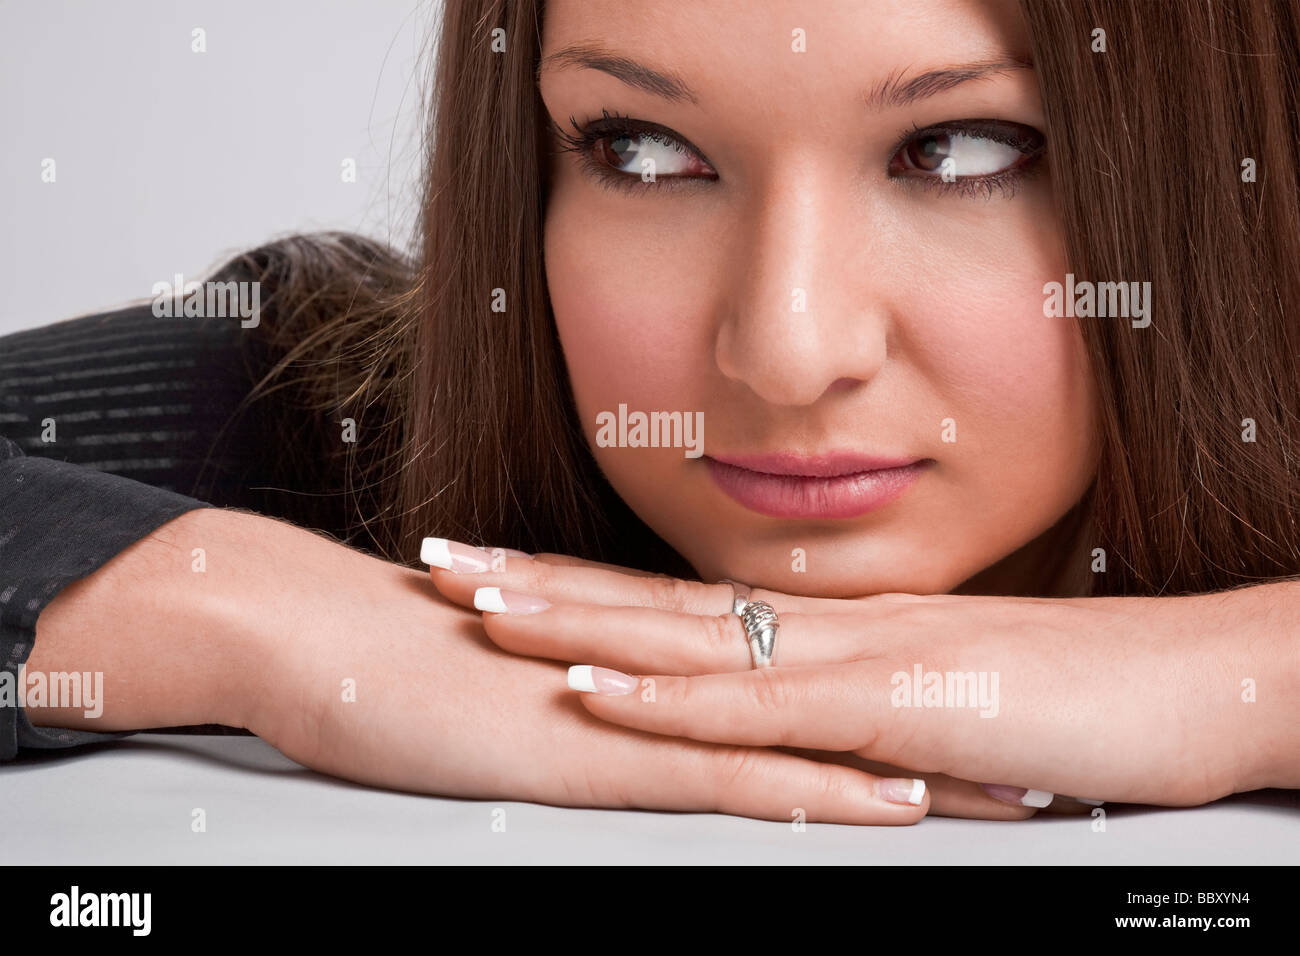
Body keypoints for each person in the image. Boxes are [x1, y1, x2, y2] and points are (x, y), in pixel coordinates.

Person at [3, 0, 1297, 826]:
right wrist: (277, 628)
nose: (786, 353)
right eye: (641, 151)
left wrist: (1237, 678)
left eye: (962, 152)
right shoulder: (323, 401)